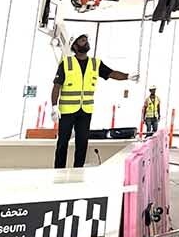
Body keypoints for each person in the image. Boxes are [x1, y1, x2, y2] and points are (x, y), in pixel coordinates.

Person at [51, 34, 131, 168]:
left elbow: (111, 73)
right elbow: (57, 85)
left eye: (86, 40)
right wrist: (54, 106)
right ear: (75, 46)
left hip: (85, 111)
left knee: (82, 143)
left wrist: (128, 76)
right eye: (82, 40)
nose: (86, 42)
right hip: (66, 111)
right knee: (62, 143)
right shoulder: (66, 63)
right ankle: (58, 170)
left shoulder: (95, 63)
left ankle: (78, 171)